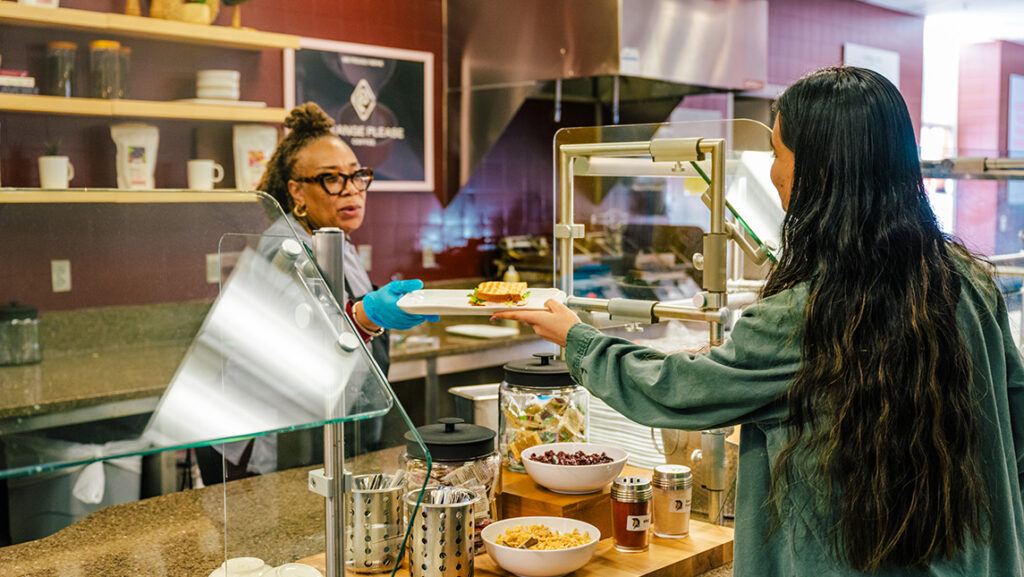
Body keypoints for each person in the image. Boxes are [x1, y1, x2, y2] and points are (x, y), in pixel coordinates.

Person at [494, 66, 1024, 575]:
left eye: (776, 152)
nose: (773, 174)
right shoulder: (971, 284)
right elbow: (1017, 415)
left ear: (818, 170)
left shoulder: (809, 312)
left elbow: (678, 391)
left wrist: (576, 338)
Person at [195, 102, 436, 483]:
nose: (350, 190)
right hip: (256, 441)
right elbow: (304, 336)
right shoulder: (284, 248)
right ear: (297, 191)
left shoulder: (334, 241)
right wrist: (365, 316)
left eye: (357, 176)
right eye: (331, 179)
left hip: (313, 418)